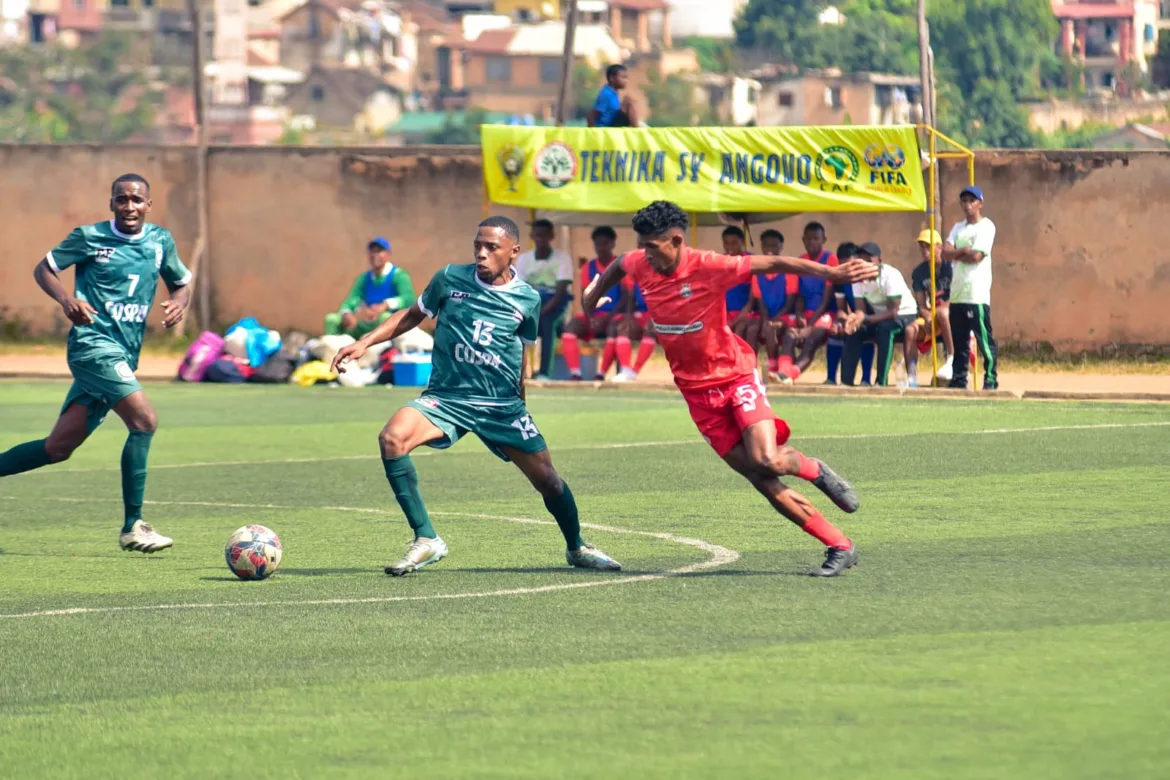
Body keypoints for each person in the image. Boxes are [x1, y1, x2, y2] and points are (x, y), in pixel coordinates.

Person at [582, 201, 878, 577]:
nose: (646, 255)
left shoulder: (709, 265)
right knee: (759, 477)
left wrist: (830, 273)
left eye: (652, 247)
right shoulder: (640, 261)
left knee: (766, 459)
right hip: (697, 396)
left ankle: (813, 468)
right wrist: (591, 297)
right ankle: (840, 545)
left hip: (735, 377)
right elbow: (618, 266)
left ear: (676, 240)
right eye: (643, 246)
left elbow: (773, 262)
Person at [330, 216, 621, 576]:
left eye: (491, 247)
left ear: (514, 252)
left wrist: (520, 407)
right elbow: (413, 315)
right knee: (392, 438)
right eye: (477, 246)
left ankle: (577, 546)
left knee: (548, 480)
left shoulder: (527, 299)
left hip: (501, 406)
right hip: (447, 398)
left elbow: (520, 355)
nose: (481, 254)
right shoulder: (450, 278)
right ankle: (427, 538)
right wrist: (364, 342)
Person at [0, 174, 192, 553]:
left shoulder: (160, 241)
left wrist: (179, 302)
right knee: (144, 421)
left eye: (136, 200)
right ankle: (134, 526)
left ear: (148, 205)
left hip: (123, 356)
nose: (129, 207)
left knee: (57, 448)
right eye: (121, 199)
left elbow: (182, 282)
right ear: (111, 204)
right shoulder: (90, 237)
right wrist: (66, 300)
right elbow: (44, 268)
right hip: (93, 348)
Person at [942, 185, 998, 390]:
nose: (968, 205)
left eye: (972, 201)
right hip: (958, 294)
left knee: (983, 340)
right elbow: (944, 253)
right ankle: (959, 379)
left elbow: (976, 256)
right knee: (959, 342)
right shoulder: (958, 227)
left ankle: (990, 378)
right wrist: (962, 250)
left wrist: (957, 253)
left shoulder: (986, 226)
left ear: (980, 204)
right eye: (964, 201)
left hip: (976, 293)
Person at [840, 242, 919, 387]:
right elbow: (860, 309)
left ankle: (881, 382)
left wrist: (865, 318)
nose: (865, 265)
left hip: (904, 313)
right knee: (855, 330)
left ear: (879, 261)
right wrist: (854, 318)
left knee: (885, 330)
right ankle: (846, 381)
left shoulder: (891, 275)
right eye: (862, 261)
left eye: (869, 261)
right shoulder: (857, 278)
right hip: (879, 316)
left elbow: (893, 312)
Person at [514, 218, 574, 380]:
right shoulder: (524, 259)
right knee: (517, 324)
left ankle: (544, 373)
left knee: (547, 323)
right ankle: (519, 371)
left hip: (555, 303)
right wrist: (530, 311)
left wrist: (540, 313)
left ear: (551, 236)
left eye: (545, 235)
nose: (541, 239)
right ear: (532, 236)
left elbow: (561, 291)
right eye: (538, 235)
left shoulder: (562, 258)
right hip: (532, 301)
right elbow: (521, 289)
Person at [561, 226, 624, 380]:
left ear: (613, 244)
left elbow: (626, 298)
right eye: (598, 244)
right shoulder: (588, 268)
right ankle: (575, 373)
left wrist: (606, 318)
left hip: (615, 316)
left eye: (605, 243)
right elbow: (585, 297)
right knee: (570, 327)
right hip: (594, 316)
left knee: (616, 328)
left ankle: (601, 374)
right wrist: (590, 318)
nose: (601, 247)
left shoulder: (621, 266)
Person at [325, 237, 415, 339]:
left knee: (385, 318)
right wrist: (347, 313)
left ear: (388, 254)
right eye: (372, 251)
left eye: (379, 251)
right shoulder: (364, 278)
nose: (375, 255)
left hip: (388, 322)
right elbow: (353, 299)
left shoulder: (398, 275)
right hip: (367, 321)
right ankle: (334, 348)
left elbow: (408, 299)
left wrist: (385, 305)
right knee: (332, 319)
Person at [791, 222, 840, 384]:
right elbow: (799, 294)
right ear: (803, 240)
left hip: (825, 313)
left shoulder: (830, 259)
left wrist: (809, 326)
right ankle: (782, 370)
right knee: (789, 335)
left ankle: (790, 374)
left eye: (815, 239)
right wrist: (799, 313)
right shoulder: (801, 261)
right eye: (808, 239)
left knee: (812, 338)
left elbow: (826, 300)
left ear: (823, 240)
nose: (811, 242)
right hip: (806, 313)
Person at [750, 230, 800, 379]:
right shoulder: (757, 273)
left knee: (771, 328)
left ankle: (775, 368)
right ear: (762, 247)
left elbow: (790, 301)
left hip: (786, 314)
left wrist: (776, 319)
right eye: (766, 246)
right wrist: (766, 319)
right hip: (769, 315)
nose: (770, 250)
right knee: (758, 329)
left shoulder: (788, 270)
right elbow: (760, 302)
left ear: (781, 247)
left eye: (774, 246)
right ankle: (752, 370)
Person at [910, 228, 955, 382]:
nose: (924, 250)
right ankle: (911, 374)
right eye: (922, 247)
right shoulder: (919, 272)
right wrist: (928, 316)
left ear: (939, 246)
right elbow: (921, 304)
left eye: (928, 246)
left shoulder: (952, 266)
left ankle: (952, 358)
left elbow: (957, 295)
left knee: (943, 313)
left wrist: (938, 311)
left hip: (953, 310)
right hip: (932, 314)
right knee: (911, 329)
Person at [830, 242, 876, 386]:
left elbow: (868, 309)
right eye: (843, 264)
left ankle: (866, 379)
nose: (848, 269)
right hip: (855, 317)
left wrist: (855, 318)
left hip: (873, 318)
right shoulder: (840, 281)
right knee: (836, 329)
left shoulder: (867, 277)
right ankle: (832, 378)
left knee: (861, 330)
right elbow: (841, 309)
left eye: (850, 264)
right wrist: (842, 319)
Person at [722, 226, 760, 353]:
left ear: (742, 242)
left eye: (734, 243)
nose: (730, 247)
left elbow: (752, 300)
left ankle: (750, 363)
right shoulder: (720, 262)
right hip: (726, 313)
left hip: (749, 313)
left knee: (743, 330)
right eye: (726, 243)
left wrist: (734, 322)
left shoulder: (752, 262)